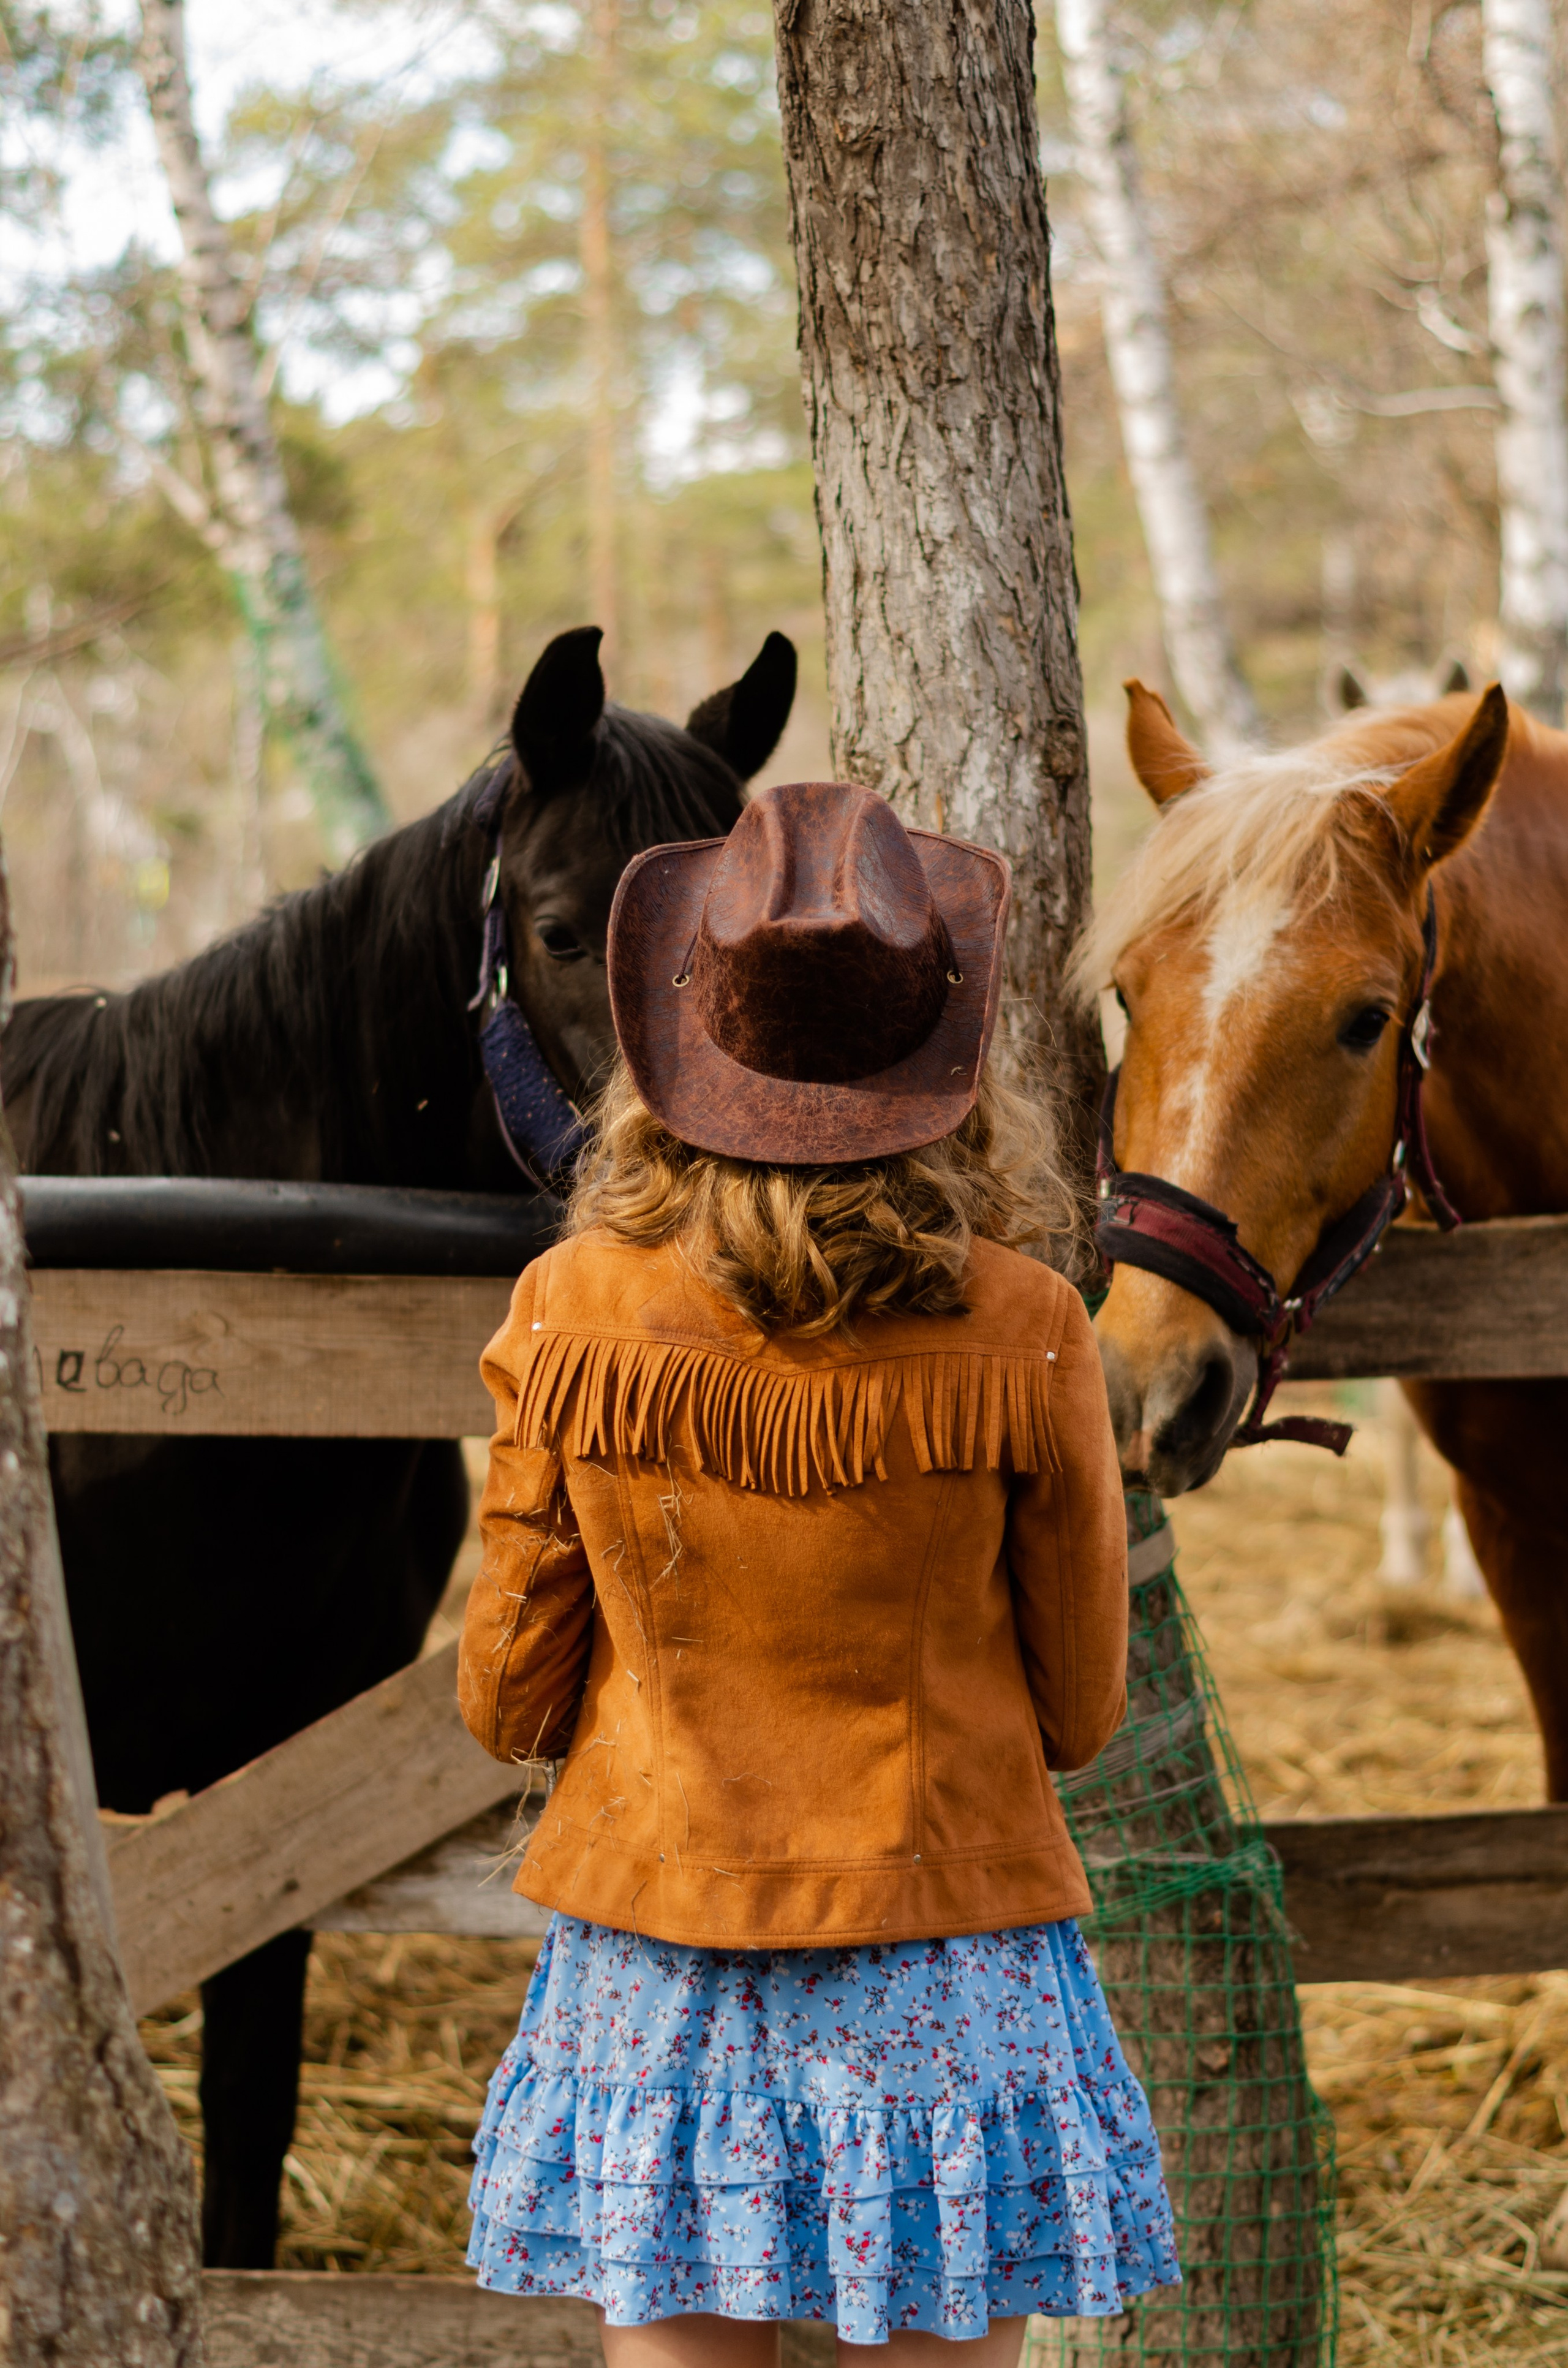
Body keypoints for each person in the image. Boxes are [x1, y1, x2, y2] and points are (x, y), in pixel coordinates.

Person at [458, 781, 1179, 2365]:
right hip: (946, 1960)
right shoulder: (1030, 1326)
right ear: (944, 1051)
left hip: (666, 1966)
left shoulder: (568, 1304)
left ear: (679, 1036)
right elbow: (1079, 1713)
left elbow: (504, 1694)